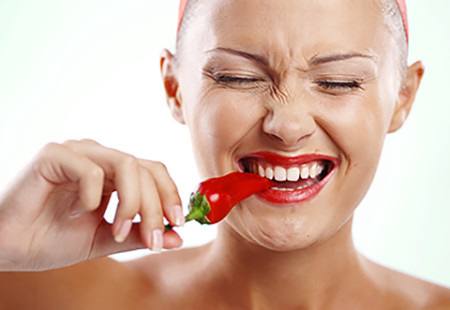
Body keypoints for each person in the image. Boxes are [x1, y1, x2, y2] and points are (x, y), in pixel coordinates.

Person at [0, 0, 449, 308]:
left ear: (404, 96)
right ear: (175, 89)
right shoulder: (60, 296)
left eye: (339, 82)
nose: (287, 126)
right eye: (237, 77)